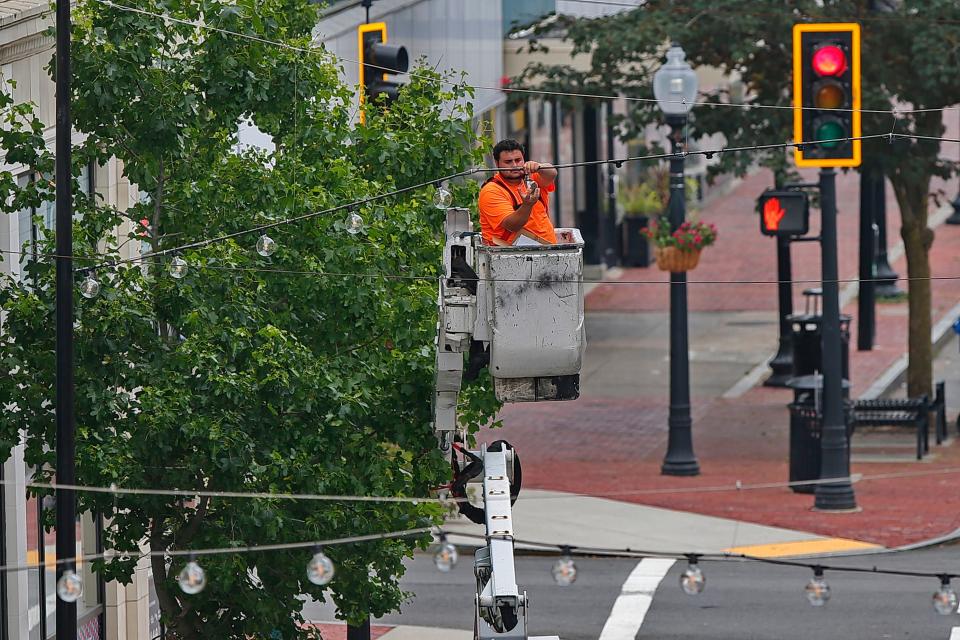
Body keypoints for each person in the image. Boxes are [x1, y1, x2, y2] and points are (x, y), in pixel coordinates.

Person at [478, 139, 559, 246]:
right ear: (497, 163)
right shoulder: (491, 191)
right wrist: (527, 205)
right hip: (511, 256)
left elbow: (552, 174)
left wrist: (539, 167)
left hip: (548, 250)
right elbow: (512, 225)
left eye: (518, 160)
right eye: (508, 162)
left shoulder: (533, 177)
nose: (515, 165)